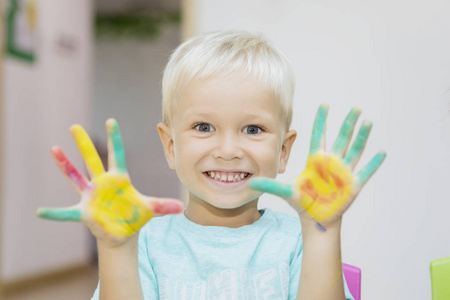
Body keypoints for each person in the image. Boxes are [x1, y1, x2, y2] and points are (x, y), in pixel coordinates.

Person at [37, 30, 386, 299]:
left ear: (283, 151)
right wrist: (114, 248)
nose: (229, 150)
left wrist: (323, 230)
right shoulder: (141, 242)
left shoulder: (300, 238)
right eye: (204, 127)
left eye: (253, 129)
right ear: (170, 146)